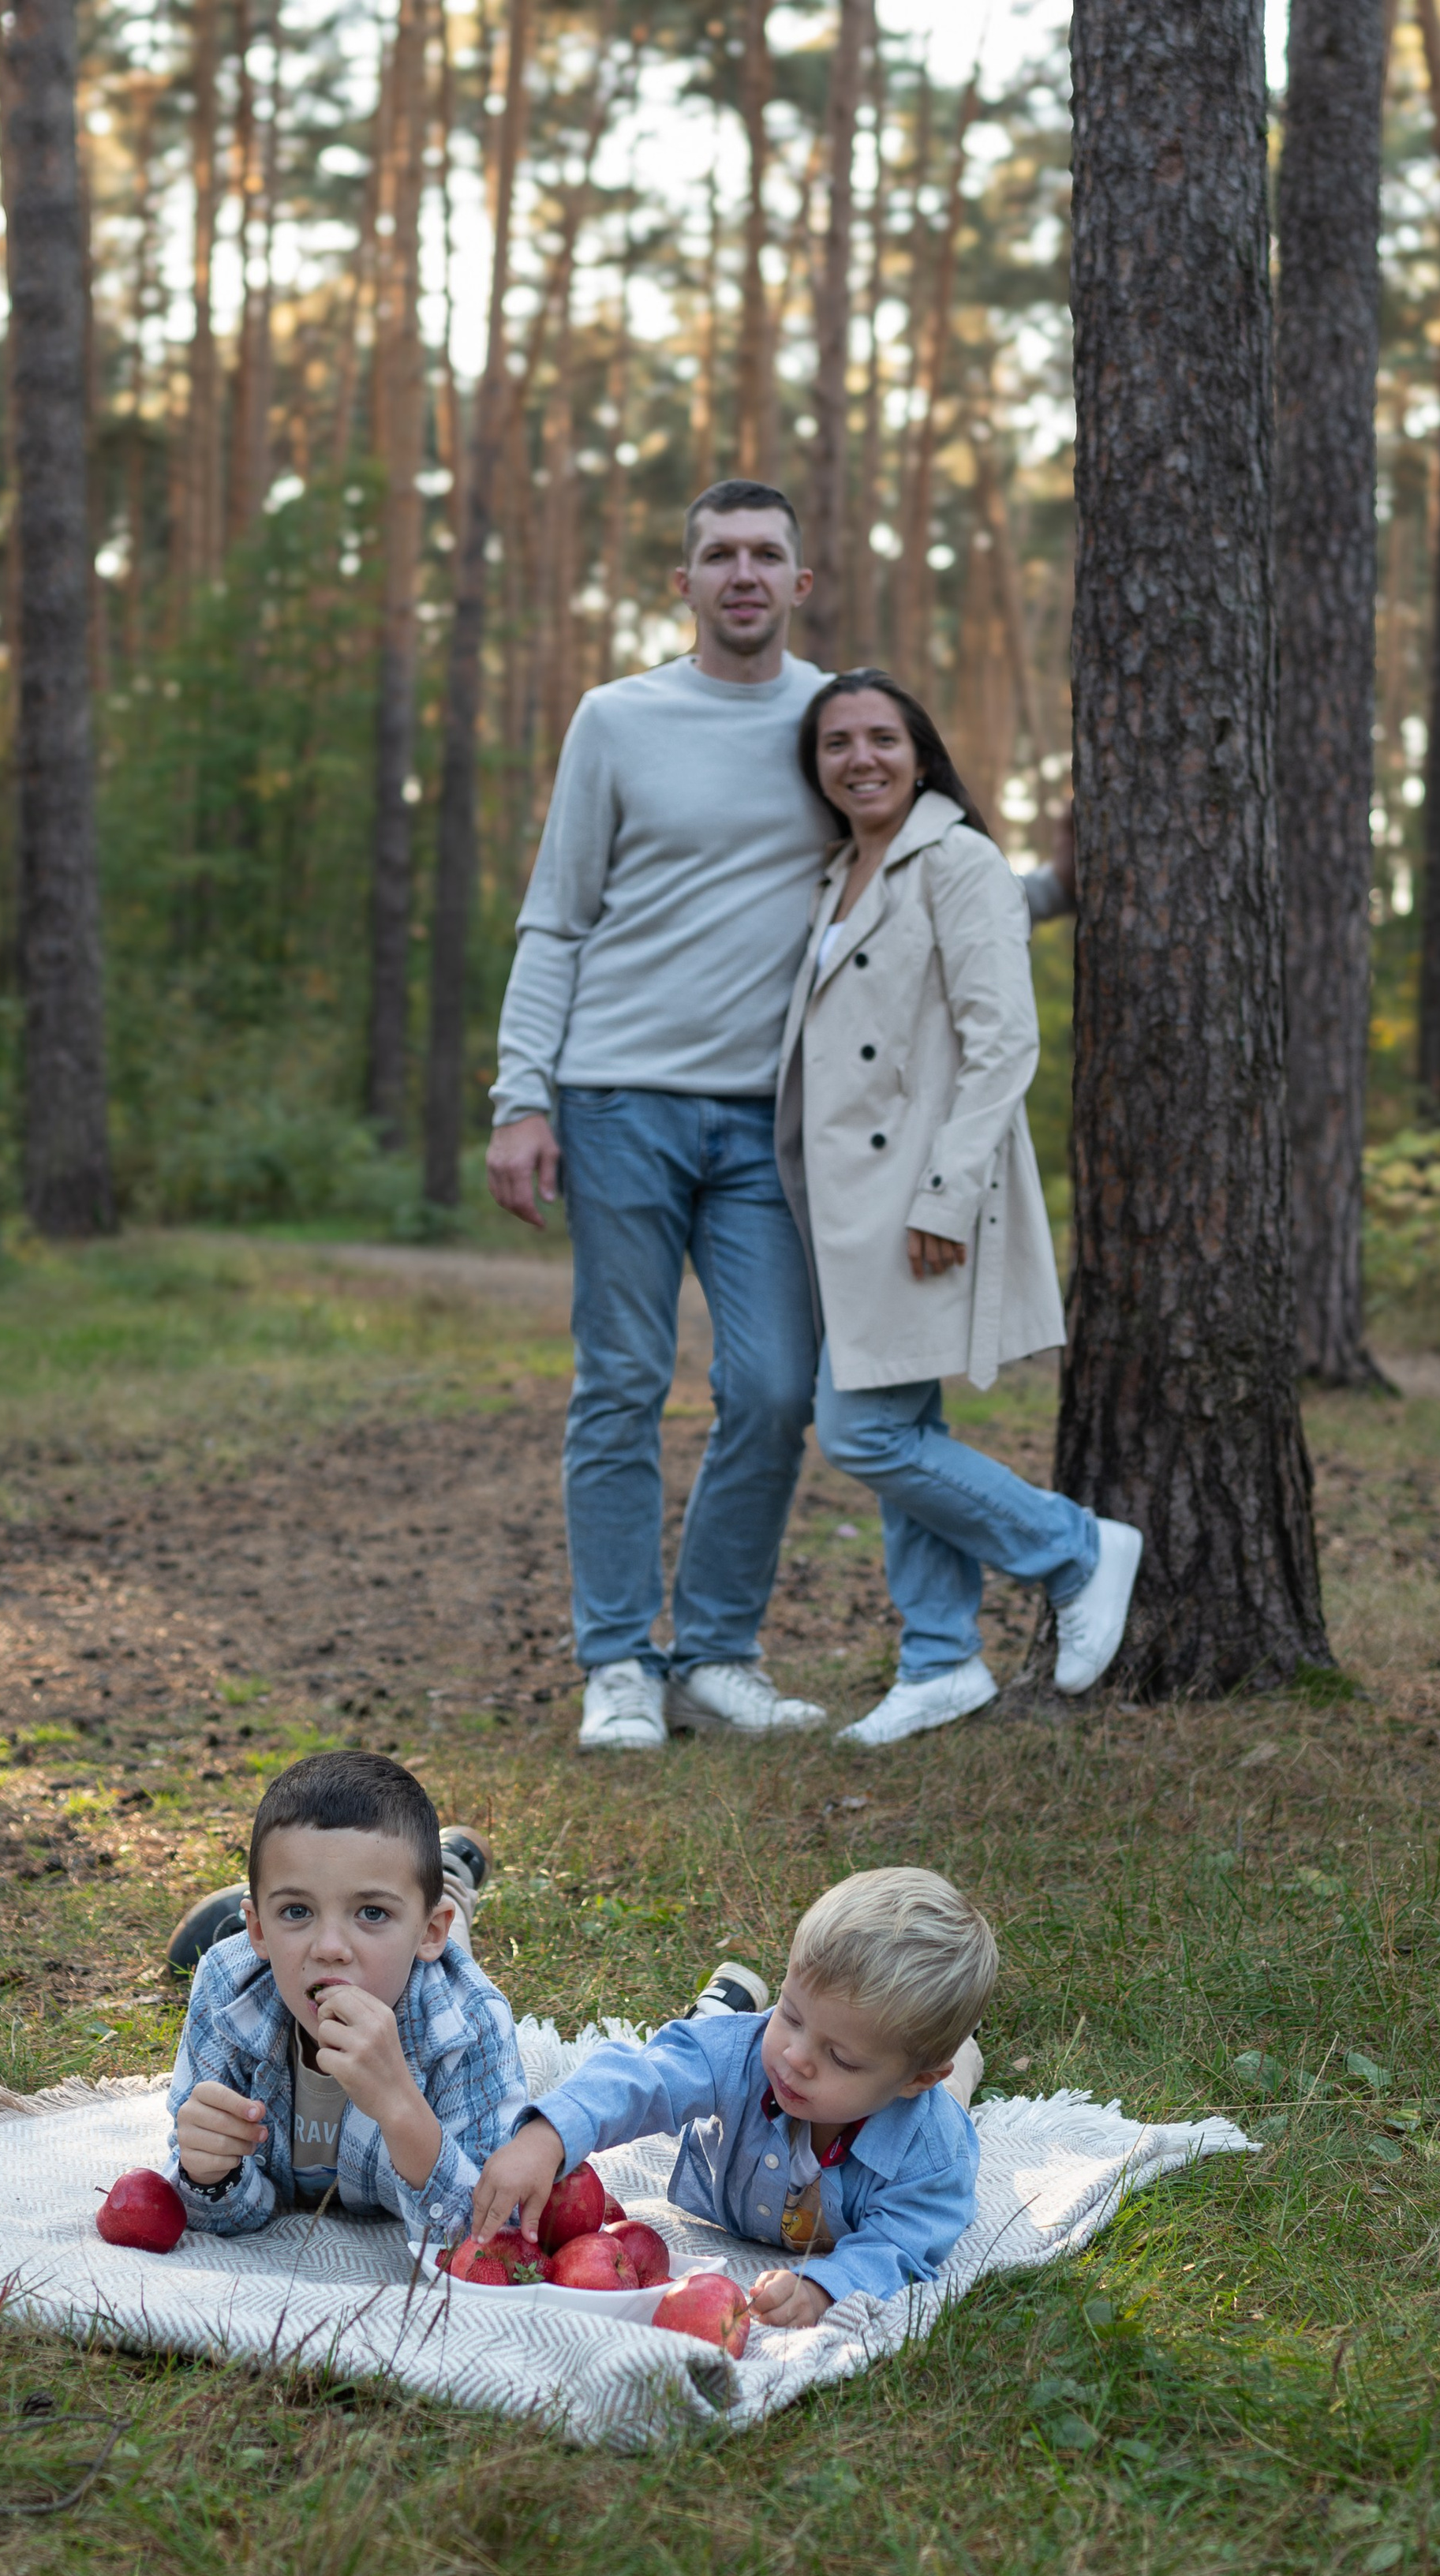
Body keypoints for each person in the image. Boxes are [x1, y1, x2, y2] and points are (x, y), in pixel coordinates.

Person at [487, 481, 1079, 1760]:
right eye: (717, 554)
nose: (742, 572)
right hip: (618, 1100)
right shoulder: (618, 719)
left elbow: (902, 870)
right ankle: (618, 1669)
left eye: (766, 554)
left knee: (768, 1391)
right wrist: (522, 1096)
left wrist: (1044, 885)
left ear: (801, 583)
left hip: (773, 1128)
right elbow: (557, 917)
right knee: (623, 1385)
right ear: (684, 582)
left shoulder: (830, 721)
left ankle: (714, 1654)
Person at [776, 671, 1143, 1747]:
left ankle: (1075, 1548)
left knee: (862, 1431)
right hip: (842, 1203)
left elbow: (1002, 1045)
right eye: (836, 743)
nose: (860, 758)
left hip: (918, 1196)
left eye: (882, 737)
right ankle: (940, 1659)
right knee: (903, 1423)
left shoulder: (960, 859)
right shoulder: (839, 871)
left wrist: (947, 1190)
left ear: (923, 754)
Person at [469, 1867, 990, 2330]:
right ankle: (726, 2005)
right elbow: (646, 2076)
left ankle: (960, 2061)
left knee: (950, 2101)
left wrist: (826, 2285)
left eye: (842, 2058)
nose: (795, 2056)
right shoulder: (749, 2054)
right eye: (790, 2012)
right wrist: (550, 2133)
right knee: (704, 2044)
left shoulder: (933, 2156)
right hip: (730, 2048)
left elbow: (902, 2244)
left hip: (926, 2106)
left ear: (914, 2078)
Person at [162, 1750, 522, 2255]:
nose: (330, 1947)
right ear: (258, 1931)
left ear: (426, 1928)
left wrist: (401, 2107)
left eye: (371, 1911)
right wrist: (206, 2176)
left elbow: (493, 2236)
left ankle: (453, 1867)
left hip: (427, 1969)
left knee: (447, 1931)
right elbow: (215, 2209)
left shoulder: (469, 2019)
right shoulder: (228, 1986)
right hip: (377, 1941)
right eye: (296, 1910)